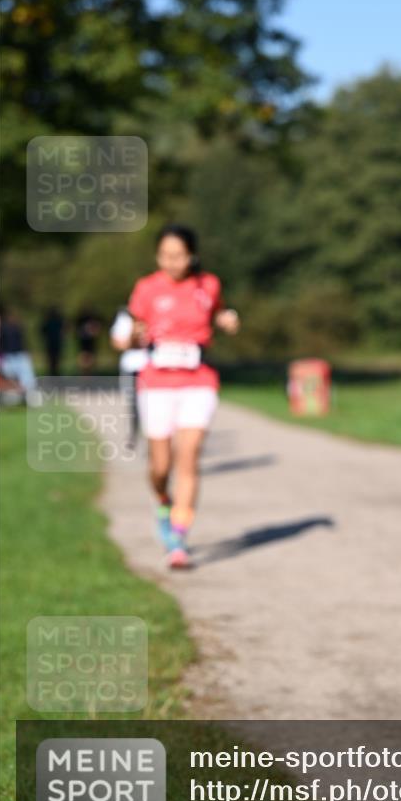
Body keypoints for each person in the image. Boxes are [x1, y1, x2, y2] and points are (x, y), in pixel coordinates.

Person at [126, 225, 240, 568]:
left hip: (198, 382)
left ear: (191, 255)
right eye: (165, 256)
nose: (171, 262)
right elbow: (131, 335)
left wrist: (228, 319)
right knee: (161, 466)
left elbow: (219, 312)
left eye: (178, 255)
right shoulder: (146, 288)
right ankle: (163, 499)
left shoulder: (208, 285)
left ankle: (178, 538)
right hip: (157, 384)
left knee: (188, 457)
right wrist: (134, 334)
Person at [109, 307, 149, 450]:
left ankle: (153, 437)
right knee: (133, 404)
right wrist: (134, 333)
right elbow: (118, 343)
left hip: (151, 366)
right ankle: (134, 434)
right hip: (131, 366)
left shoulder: (154, 313)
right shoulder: (124, 317)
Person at [0, 307, 37, 397]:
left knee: (26, 378)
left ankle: (28, 394)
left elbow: (23, 342)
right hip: (7, 357)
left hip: (18, 356)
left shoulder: (17, 329)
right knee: (8, 376)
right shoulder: (3, 330)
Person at [39, 307, 64, 377]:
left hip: (52, 344)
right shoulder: (58, 321)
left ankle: (53, 373)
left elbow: (42, 331)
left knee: (52, 361)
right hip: (54, 343)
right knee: (54, 360)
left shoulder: (49, 321)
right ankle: (54, 373)